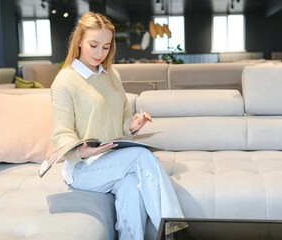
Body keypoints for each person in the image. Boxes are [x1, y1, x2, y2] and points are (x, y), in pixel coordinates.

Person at [51, 12, 189, 240]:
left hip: (114, 160)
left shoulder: (111, 74)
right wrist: (81, 150)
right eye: (93, 45)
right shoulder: (65, 80)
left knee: (132, 189)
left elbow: (121, 117)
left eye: (105, 47)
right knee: (141, 156)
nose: (99, 53)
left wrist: (132, 124)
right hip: (83, 168)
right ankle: (177, 234)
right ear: (79, 42)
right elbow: (62, 132)